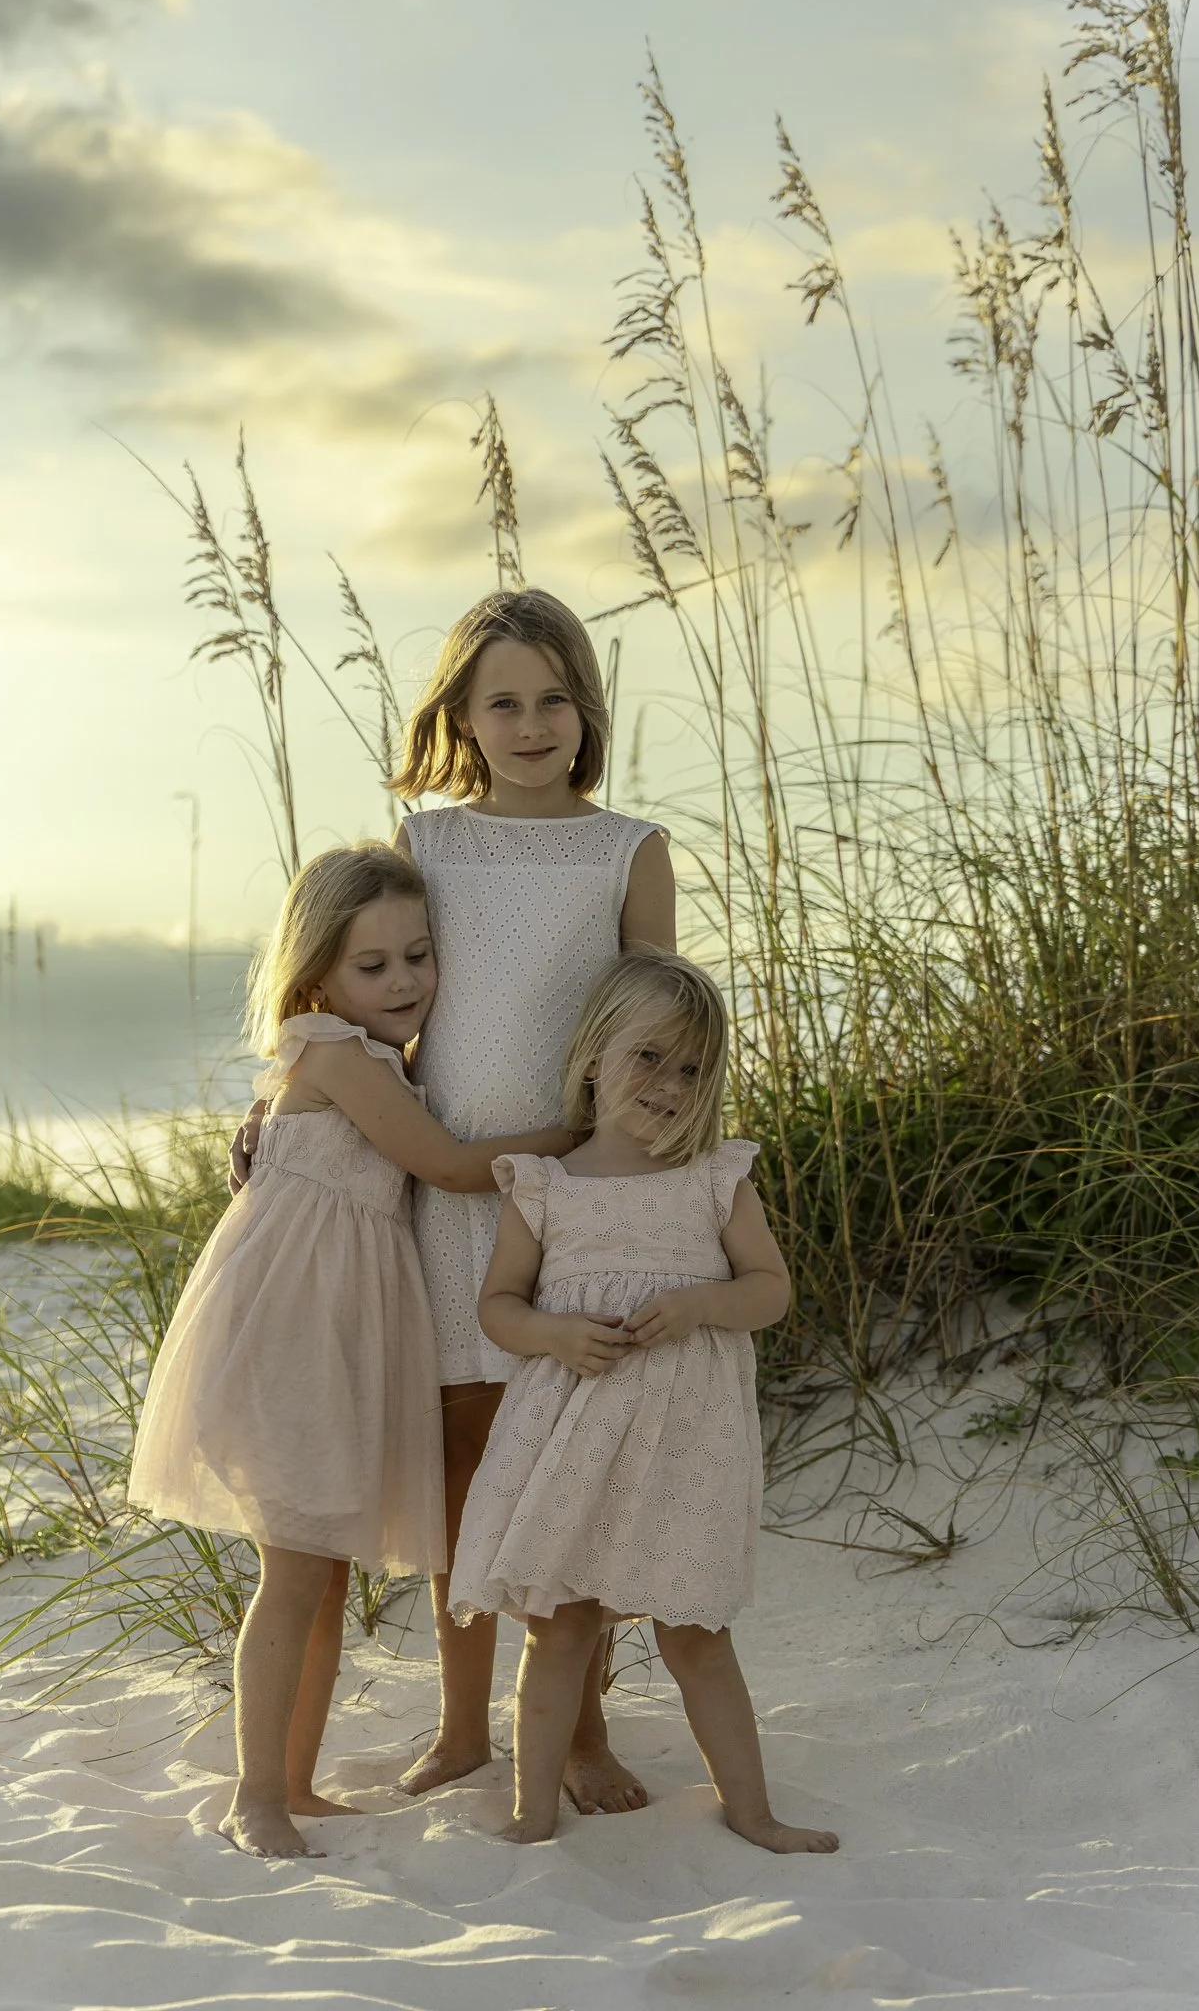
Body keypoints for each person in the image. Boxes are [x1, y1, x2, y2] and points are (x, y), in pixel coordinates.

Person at [130, 844, 574, 1859]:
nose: (407, 981)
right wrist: (581, 1135)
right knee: (294, 1572)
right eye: (374, 966)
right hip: (295, 1335)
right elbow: (455, 1166)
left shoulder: (367, 1059)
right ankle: (258, 1795)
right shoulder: (337, 1056)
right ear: (318, 975)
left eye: (420, 954)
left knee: (320, 1570)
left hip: (339, 1333)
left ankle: (293, 1778)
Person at [449, 952, 840, 1853]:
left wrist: (704, 1304)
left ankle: (752, 1812)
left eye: (693, 1067)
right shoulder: (544, 1185)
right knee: (563, 1627)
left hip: (686, 1441)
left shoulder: (712, 1178)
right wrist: (552, 1333)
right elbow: (498, 1308)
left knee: (696, 1630)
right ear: (594, 1056)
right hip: (576, 1430)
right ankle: (530, 1813)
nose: (669, 1084)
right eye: (650, 1057)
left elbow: (770, 1291)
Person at [389, 586, 675, 1811]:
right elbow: (366, 997)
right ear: (461, 712)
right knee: (463, 1455)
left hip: (574, 1193)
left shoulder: (628, 847)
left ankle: (582, 1724)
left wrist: (638, 1171)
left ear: (586, 706)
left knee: (568, 1460)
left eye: (554, 696)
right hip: (446, 1185)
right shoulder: (425, 846)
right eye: (502, 700)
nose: (531, 722)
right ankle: (463, 1724)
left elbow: (663, 1023)